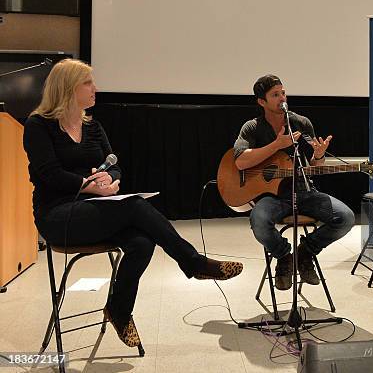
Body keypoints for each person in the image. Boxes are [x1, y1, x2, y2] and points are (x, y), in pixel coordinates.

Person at [23, 59, 243, 348]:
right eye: (88, 83)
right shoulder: (38, 125)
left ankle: (119, 310)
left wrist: (110, 181)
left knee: (141, 243)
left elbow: (114, 165)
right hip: (58, 214)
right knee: (134, 206)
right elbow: (49, 174)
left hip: (96, 209)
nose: (95, 88)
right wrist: (89, 185)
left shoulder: (93, 126)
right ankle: (193, 262)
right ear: (67, 88)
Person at [233, 74, 355, 290]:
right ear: (262, 101)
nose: (282, 98)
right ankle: (284, 257)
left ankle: (305, 252)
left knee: (345, 217)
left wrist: (318, 155)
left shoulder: (300, 123)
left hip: (304, 191)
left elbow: (315, 168)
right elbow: (240, 162)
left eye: (283, 92)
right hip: (272, 197)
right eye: (275, 95)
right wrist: (276, 145)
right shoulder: (251, 128)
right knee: (259, 221)